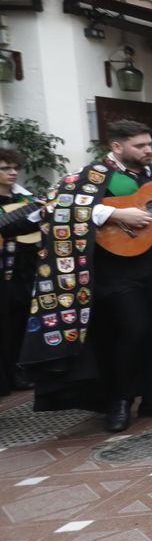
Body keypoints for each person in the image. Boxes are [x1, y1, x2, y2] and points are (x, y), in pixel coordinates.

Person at [19, 120, 152, 430]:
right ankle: (120, 401)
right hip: (119, 272)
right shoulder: (93, 176)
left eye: (150, 144)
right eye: (139, 146)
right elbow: (60, 206)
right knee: (131, 331)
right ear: (117, 147)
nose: (148, 150)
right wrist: (115, 213)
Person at [0, 145, 38, 394]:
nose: (12, 173)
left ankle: (18, 372)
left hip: (22, 272)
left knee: (19, 325)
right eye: (5, 169)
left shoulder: (24, 199)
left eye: (14, 168)